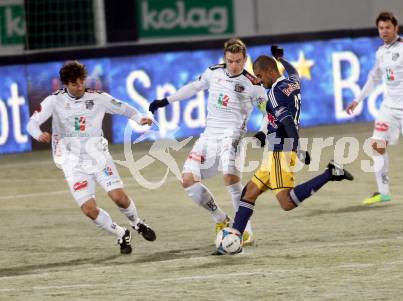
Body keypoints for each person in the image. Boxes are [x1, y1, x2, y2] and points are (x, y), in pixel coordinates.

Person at [220, 46, 354, 254]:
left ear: (270, 72)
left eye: (260, 76)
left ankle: (330, 173)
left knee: (286, 202)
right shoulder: (292, 83)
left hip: (280, 151)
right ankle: (235, 236)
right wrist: (281, 58)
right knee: (249, 192)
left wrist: (298, 148)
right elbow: (295, 72)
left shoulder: (274, 93)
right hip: (275, 149)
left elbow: (288, 122)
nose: (259, 81)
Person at [26, 61, 156, 254]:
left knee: (118, 198)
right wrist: (38, 134)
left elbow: (123, 108)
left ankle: (137, 222)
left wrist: (139, 118)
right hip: (72, 162)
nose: (79, 87)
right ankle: (121, 233)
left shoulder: (98, 98)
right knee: (89, 209)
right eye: (74, 84)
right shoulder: (54, 100)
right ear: (65, 84)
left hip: (98, 156)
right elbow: (32, 123)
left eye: (81, 82)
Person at [148, 38, 268, 246]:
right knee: (187, 180)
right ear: (224, 58)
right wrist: (166, 101)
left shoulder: (253, 84)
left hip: (232, 137)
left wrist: (263, 132)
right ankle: (221, 218)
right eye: (230, 61)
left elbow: (268, 112)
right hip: (208, 136)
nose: (233, 65)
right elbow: (194, 88)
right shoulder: (213, 72)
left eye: (238, 61)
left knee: (230, 179)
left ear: (245, 59)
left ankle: (244, 231)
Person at [345, 11, 403, 205]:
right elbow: (374, 77)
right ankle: (383, 192)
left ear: (396, 28)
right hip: (388, 107)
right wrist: (358, 99)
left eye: (388, 27)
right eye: (381, 28)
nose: (384, 31)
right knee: (376, 144)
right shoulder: (381, 52)